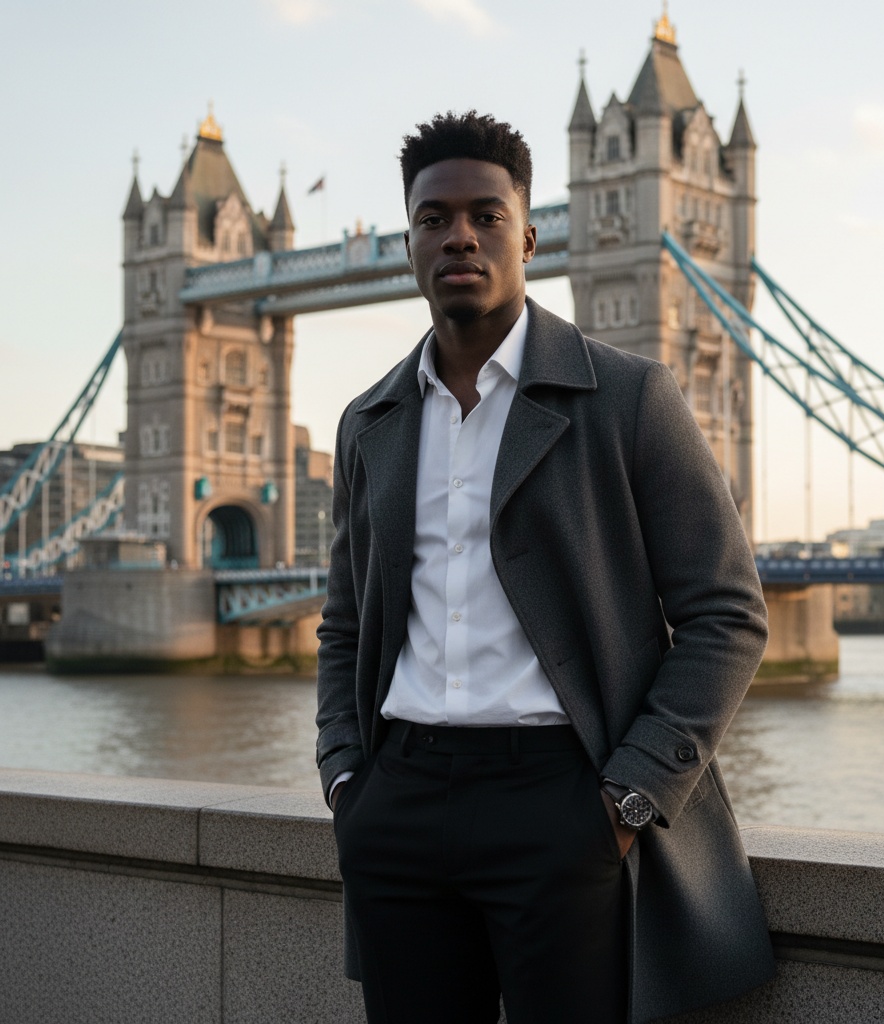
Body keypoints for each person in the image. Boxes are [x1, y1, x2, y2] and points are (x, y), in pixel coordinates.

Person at [316, 110, 774, 1024]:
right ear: (409, 242)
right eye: (433, 218)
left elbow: (728, 614)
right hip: (397, 799)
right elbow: (345, 624)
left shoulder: (631, 397)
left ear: (528, 236)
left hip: (560, 803)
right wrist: (344, 777)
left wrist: (628, 797)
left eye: (486, 216)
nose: (460, 236)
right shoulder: (369, 422)